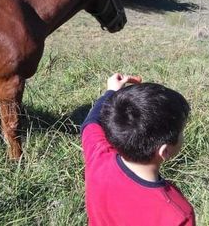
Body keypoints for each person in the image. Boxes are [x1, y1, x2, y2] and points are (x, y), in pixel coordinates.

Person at [81, 73, 195, 225]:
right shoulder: (178, 213)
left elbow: (90, 123)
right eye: (182, 132)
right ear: (164, 151)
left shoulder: (98, 156)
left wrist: (111, 91)